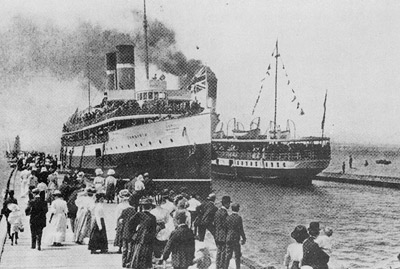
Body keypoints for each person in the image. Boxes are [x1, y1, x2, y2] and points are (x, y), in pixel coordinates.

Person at [126, 198, 157, 268]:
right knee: (147, 254)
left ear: (142, 207)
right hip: (148, 239)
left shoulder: (139, 215)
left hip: (139, 237)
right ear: (151, 207)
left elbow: (130, 223)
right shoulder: (153, 217)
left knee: (137, 253)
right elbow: (154, 230)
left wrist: (133, 232)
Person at [150, 194, 172, 261]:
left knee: (155, 242)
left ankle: (155, 257)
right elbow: (167, 220)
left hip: (155, 227)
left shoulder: (152, 211)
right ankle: (162, 257)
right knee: (163, 241)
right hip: (162, 226)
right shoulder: (166, 211)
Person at [225, 203, 246, 269]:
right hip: (236, 238)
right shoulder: (238, 218)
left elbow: (225, 228)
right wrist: (244, 238)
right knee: (237, 256)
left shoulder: (228, 217)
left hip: (228, 237)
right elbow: (241, 229)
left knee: (228, 255)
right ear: (238, 209)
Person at [214, 196, 231, 269]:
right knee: (224, 252)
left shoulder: (217, 211)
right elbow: (226, 226)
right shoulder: (224, 213)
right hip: (223, 235)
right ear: (226, 204)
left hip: (217, 234)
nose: (229, 205)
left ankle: (217, 266)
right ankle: (223, 267)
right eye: (229, 203)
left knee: (218, 251)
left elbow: (215, 223)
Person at [114, 189, 132, 253]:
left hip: (121, 222)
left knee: (120, 234)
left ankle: (120, 247)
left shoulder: (119, 206)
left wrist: (116, 223)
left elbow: (117, 215)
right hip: (128, 222)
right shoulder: (130, 206)